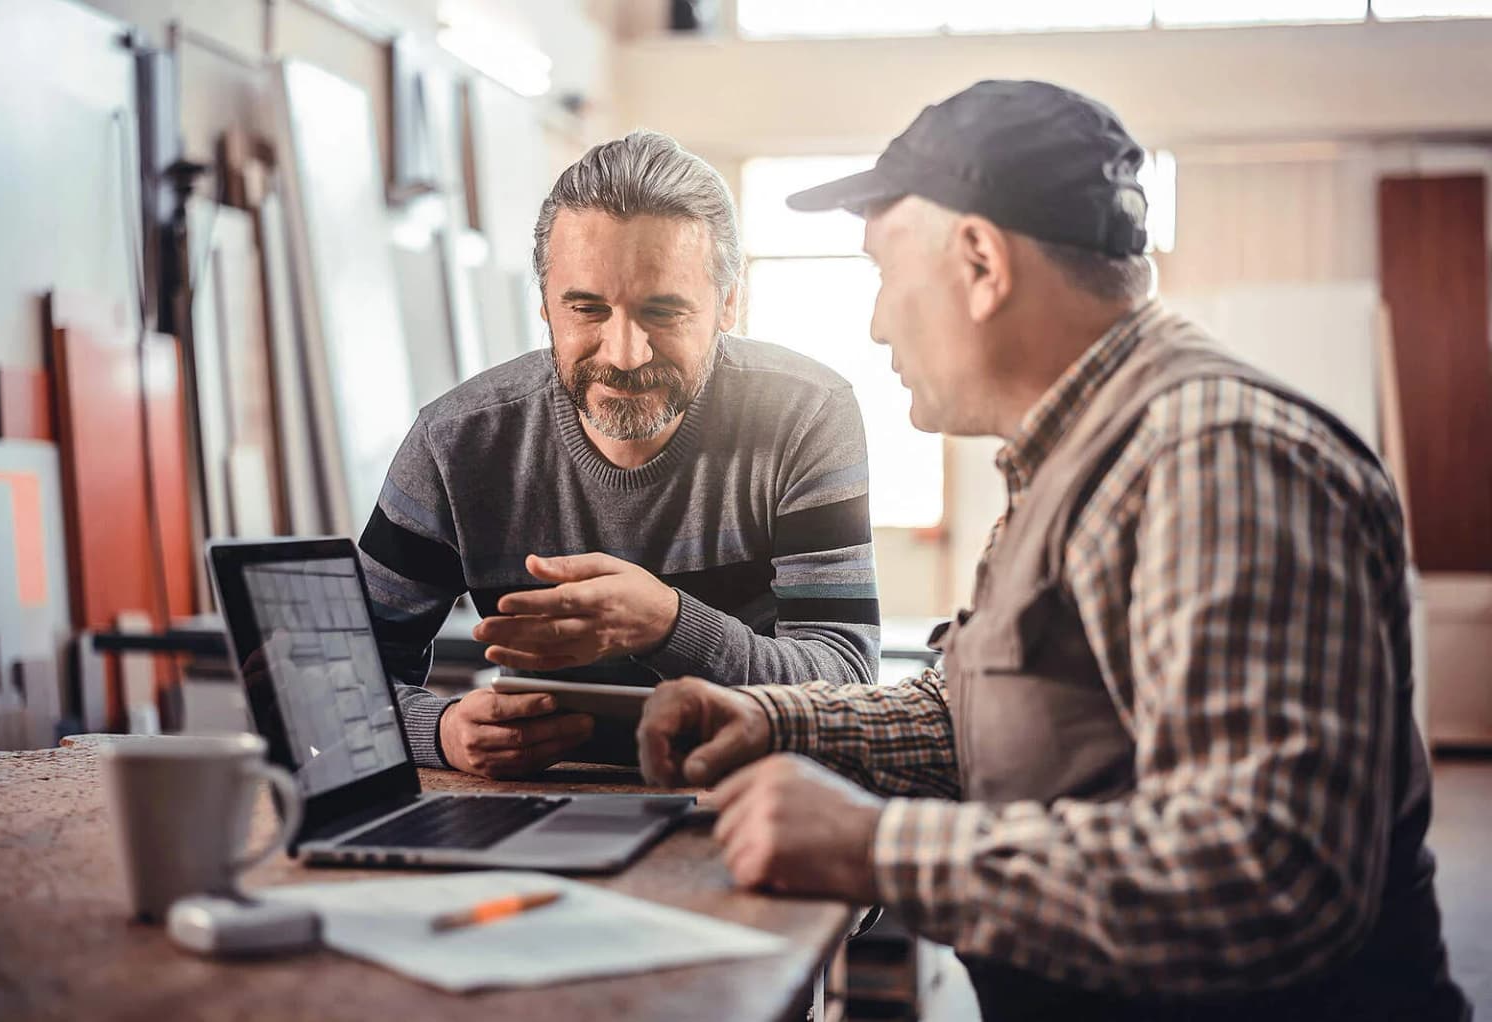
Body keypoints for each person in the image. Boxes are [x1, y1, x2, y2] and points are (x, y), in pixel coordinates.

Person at [636, 81, 1469, 1020]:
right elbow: (994, 720)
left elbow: (1266, 872)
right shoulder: (1085, 453)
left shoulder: (1209, 457)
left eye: (881, 273)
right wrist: (779, 719)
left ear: (982, 263)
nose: (875, 324)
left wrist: (877, 847)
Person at [361, 130, 879, 779]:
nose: (623, 354)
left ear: (729, 304)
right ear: (545, 303)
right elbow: (332, 682)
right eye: (586, 308)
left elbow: (848, 686)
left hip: (746, 797)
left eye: (664, 312)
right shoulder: (456, 441)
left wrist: (665, 623)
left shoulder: (805, 412)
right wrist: (435, 730)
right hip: (526, 805)